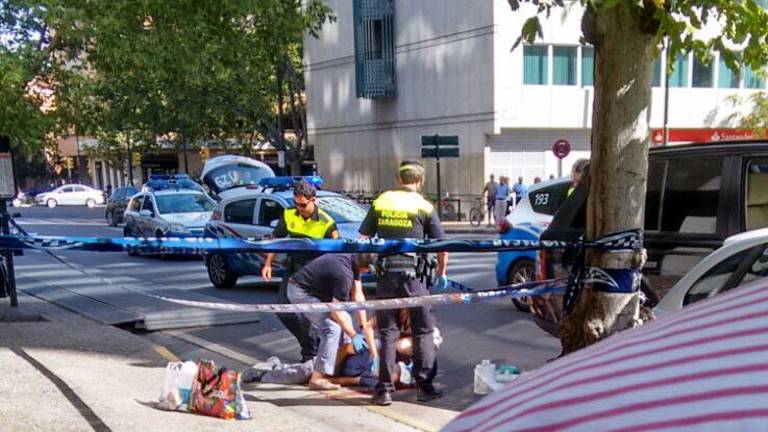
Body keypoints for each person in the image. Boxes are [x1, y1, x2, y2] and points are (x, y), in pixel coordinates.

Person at [359, 159, 448, 406]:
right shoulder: (424, 205)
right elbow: (442, 246)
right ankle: (425, 386)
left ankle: (384, 390)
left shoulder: (382, 201)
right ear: (419, 181)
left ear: (399, 180)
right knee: (423, 331)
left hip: (387, 275)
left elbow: (362, 238)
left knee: (387, 333)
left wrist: (368, 263)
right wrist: (441, 272)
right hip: (415, 277)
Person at [261, 180, 340, 362]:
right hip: (294, 268)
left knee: (310, 314)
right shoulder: (289, 215)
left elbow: (337, 253)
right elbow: (276, 240)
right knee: (283, 309)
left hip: (315, 272)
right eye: (296, 204)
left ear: (314, 200)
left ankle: (310, 354)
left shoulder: (327, 223)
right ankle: (309, 345)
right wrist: (268, 264)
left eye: (303, 205)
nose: (299, 209)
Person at [286, 253, 377, 390]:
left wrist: (364, 326)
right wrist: (354, 335)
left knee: (346, 319)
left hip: (317, 292)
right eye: (368, 270)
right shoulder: (344, 275)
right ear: (364, 267)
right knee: (332, 329)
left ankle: (334, 366)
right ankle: (317, 378)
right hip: (301, 292)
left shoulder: (354, 260)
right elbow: (336, 311)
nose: (368, 273)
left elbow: (358, 294)